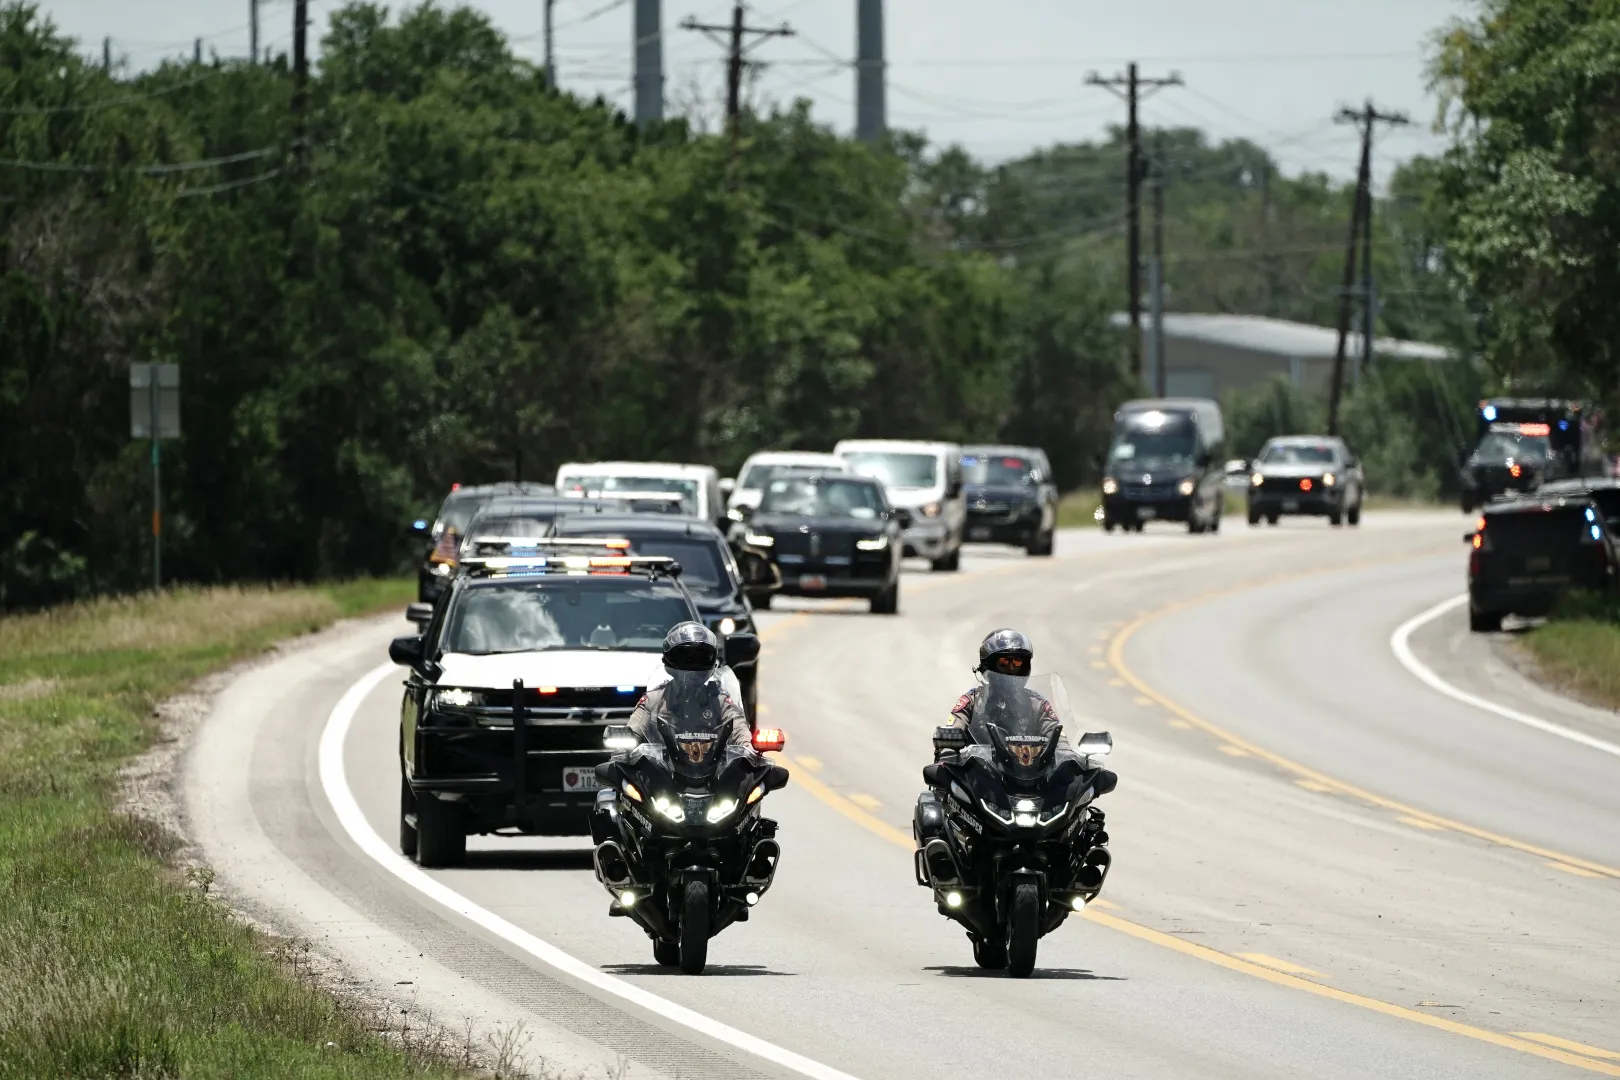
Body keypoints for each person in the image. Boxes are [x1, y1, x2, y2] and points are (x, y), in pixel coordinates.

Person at [627, 622, 752, 750]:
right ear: (669, 658)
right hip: (661, 769)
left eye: (700, 657)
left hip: (716, 769)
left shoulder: (721, 701)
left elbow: (738, 729)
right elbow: (633, 731)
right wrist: (627, 743)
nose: (692, 665)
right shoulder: (654, 699)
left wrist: (747, 749)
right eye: (685, 657)